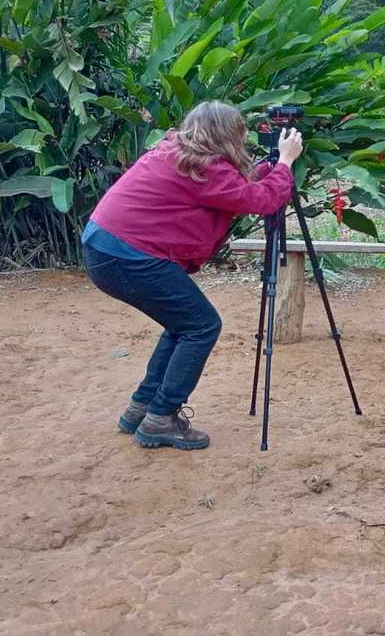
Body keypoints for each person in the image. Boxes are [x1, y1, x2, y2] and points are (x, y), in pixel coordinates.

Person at [82, 101, 303, 450]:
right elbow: (260, 201)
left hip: (106, 248)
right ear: (227, 135)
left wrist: (269, 168)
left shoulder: (178, 153)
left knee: (183, 323)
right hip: (128, 256)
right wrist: (287, 163)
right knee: (201, 326)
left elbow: (233, 188)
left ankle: (142, 408)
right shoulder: (207, 168)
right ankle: (161, 418)